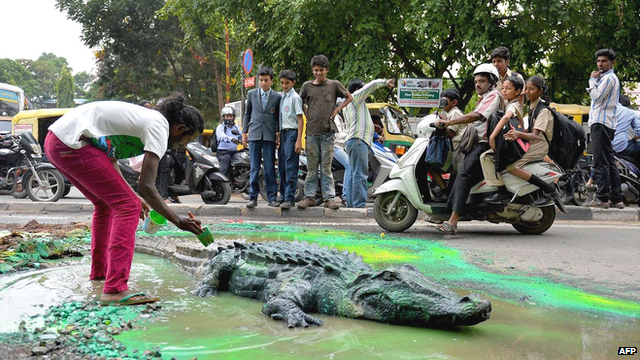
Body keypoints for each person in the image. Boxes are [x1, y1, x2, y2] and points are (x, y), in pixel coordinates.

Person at [44, 94, 204, 305]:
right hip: (72, 144)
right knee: (128, 206)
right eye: (188, 139)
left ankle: (100, 275)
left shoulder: (146, 121)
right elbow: (147, 186)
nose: (183, 145)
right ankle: (115, 288)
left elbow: (109, 158)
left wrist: (131, 194)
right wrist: (178, 221)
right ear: (180, 128)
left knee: (107, 204)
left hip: (57, 142)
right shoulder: (159, 126)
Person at [434, 63, 505, 234]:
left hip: (485, 144)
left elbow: (477, 116)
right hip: (477, 143)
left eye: (481, 81)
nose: (477, 85)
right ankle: (446, 213)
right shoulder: (484, 98)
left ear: (491, 82)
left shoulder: (493, 96)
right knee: (458, 174)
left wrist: (450, 122)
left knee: (464, 173)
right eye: (476, 81)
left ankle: (453, 222)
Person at [497, 75, 566, 213]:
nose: (527, 92)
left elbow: (534, 135)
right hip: (533, 142)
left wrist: (517, 134)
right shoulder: (533, 106)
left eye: (531, 89)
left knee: (512, 166)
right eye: (526, 88)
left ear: (539, 91)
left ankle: (548, 188)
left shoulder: (543, 110)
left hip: (539, 145)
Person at [297, 54, 353, 210]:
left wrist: (336, 110)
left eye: (321, 70)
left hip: (328, 133)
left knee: (326, 167)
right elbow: (298, 101)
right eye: (316, 70)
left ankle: (329, 199)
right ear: (312, 70)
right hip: (311, 133)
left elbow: (350, 97)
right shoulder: (307, 86)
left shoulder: (334, 85)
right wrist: (306, 112)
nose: (318, 73)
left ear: (326, 70)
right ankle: (309, 197)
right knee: (312, 168)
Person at [342, 78, 395, 208]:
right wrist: (385, 82)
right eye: (363, 88)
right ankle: (359, 205)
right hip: (358, 140)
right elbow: (372, 85)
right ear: (357, 90)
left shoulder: (351, 105)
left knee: (353, 173)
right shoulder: (355, 98)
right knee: (360, 174)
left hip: (353, 140)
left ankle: (351, 204)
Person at [584, 48, 624, 209]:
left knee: (601, 161)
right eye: (598, 61)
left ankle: (602, 198)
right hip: (605, 123)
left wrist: (592, 81)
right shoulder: (608, 78)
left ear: (612, 63)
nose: (600, 64)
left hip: (601, 123)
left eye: (604, 61)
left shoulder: (608, 78)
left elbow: (596, 96)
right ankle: (616, 197)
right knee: (609, 161)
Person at [481, 75, 525, 203]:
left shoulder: (513, 106)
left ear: (517, 92)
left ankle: (501, 190)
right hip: (512, 142)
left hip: (513, 145)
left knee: (485, 157)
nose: (504, 91)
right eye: (503, 88)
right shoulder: (509, 103)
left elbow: (506, 118)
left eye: (508, 88)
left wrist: (493, 137)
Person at [242, 66, 282, 208]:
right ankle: (252, 197)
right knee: (254, 167)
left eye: (266, 80)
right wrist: (244, 132)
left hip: (269, 135)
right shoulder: (251, 94)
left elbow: (278, 118)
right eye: (261, 80)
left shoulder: (277, 97)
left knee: (270, 167)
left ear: (271, 81)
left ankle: (272, 197)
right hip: (254, 134)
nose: (263, 83)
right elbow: (247, 114)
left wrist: (278, 133)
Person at [277, 70, 304, 209]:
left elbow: (300, 119)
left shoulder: (295, 98)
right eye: (282, 83)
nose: (284, 85)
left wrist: (299, 140)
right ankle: (282, 196)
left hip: (292, 133)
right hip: (283, 133)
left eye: (287, 83)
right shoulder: (282, 97)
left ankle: (289, 197)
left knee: (290, 166)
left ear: (293, 83)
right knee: (281, 166)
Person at [215, 106, 242, 178]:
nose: (229, 118)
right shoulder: (221, 127)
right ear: (224, 117)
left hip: (234, 151)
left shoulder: (236, 128)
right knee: (225, 167)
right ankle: (220, 184)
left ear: (233, 117)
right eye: (227, 116)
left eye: (231, 116)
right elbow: (221, 136)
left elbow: (242, 135)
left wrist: (247, 139)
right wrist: (231, 139)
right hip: (224, 152)